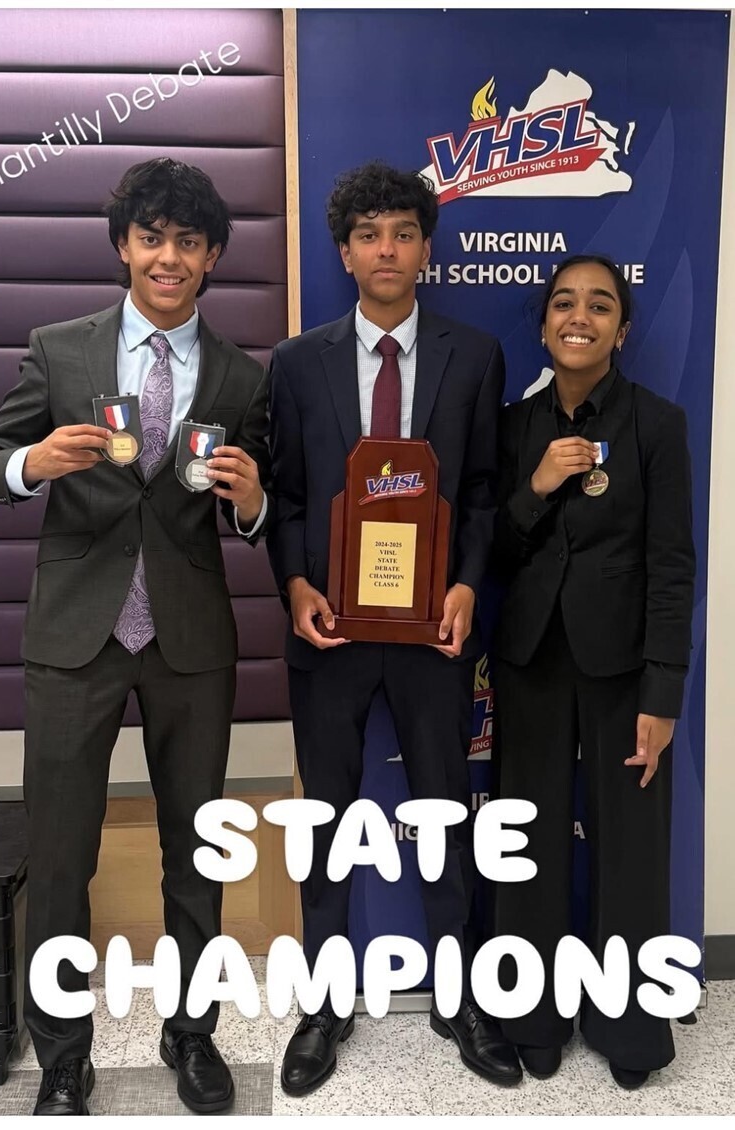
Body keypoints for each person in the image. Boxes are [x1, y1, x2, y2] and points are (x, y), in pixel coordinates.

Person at [0, 158, 271, 1115]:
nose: (167, 258)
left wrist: (255, 505)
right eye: (151, 239)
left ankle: (192, 1036)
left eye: (187, 242)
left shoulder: (239, 375)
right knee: (60, 855)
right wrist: (31, 460)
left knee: (195, 853)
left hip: (188, 642)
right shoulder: (58, 350)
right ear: (123, 247)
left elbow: (258, 509)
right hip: (74, 638)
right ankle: (61, 1052)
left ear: (212, 255)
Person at [266, 161, 521, 1096]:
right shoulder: (297, 362)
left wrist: (464, 584)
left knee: (444, 814)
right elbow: (288, 495)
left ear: (426, 248)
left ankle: (460, 998)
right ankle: (325, 1000)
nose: (386, 249)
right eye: (369, 233)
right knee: (326, 821)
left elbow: (485, 492)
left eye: (403, 232)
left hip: (433, 632)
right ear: (344, 251)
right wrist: (294, 583)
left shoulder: (474, 353)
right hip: (329, 628)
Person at [490, 255, 695, 1089]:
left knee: (630, 857)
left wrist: (663, 691)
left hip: (621, 675)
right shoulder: (511, 428)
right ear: (542, 326)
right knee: (529, 849)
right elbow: (490, 555)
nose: (580, 317)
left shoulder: (656, 423)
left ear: (621, 327)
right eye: (563, 304)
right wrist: (534, 487)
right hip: (530, 665)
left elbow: (671, 566)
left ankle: (631, 1028)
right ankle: (530, 1017)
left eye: (600, 305)